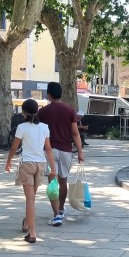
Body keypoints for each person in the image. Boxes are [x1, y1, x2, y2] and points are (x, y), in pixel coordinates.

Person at [4, 99, 57, 243]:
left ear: (24, 113)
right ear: (37, 110)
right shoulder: (44, 127)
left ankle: (32, 233)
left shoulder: (21, 127)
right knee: (32, 198)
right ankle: (27, 223)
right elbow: (48, 149)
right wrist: (53, 168)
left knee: (30, 199)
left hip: (27, 163)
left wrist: (8, 162)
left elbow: (14, 147)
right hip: (41, 164)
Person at [38, 82, 84, 226]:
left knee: (52, 182)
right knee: (63, 181)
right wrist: (80, 152)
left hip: (49, 150)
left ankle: (56, 214)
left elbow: (39, 133)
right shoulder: (70, 111)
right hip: (66, 150)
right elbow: (75, 133)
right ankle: (62, 208)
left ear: (49, 94)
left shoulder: (43, 112)